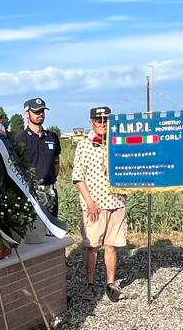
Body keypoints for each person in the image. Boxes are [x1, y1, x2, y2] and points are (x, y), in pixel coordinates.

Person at [71, 105, 128, 299]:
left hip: (117, 201)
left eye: (105, 121)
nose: (102, 124)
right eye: (98, 121)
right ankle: (89, 283)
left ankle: (111, 283)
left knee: (111, 245)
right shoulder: (84, 145)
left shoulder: (117, 142)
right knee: (92, 245)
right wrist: (90, 203)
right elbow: (78, 177)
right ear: (91, 122)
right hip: (94, 204)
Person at [19, 97, 62, 221]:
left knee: (52, 232)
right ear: (27, 114)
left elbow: (56, 164)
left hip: (50, 190)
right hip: (30, 191)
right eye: (36, 112)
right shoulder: (20, 140)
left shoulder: (52, 137)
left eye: (42, 111)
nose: (40, 114)